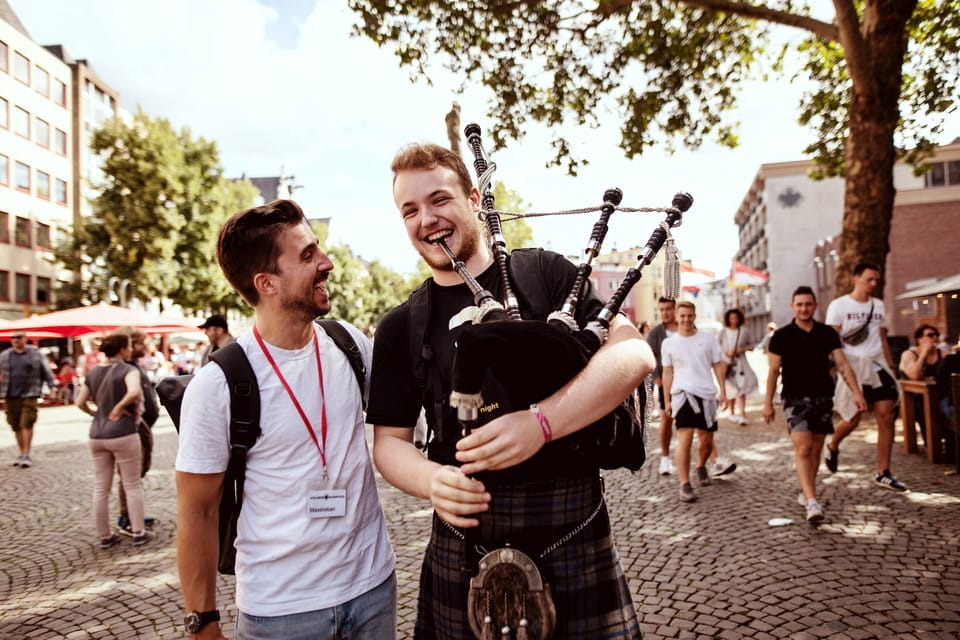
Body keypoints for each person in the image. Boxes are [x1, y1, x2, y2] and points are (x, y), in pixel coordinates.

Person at [367, 143, 651, 638]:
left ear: (474, 198)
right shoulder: (401, 325)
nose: (427, 219)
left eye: (439, 200)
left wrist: (542, 424)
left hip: (571, 527)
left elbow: (634, 355)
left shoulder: (544, 273)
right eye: (410, 210)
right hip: (463, 538)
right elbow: (389, 443)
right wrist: (432, 481)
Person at [175, 199, 395, 640]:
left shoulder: (348, 343)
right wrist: (203, 624)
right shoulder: (218, 385)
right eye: (308, 255)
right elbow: (197, 513)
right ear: (267, 283)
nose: (327, 263)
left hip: (373, 589)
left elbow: (402, 424)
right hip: (281, 613)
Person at [763, 287, 866, 523]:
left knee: (817, 448)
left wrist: (857, 393)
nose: (804, 308)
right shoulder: (781, 336)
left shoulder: (827, 333)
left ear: (815, 305)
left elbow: (842, 364)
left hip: (822, 396)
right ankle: (812, 502)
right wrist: (768, 403)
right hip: (794, 398)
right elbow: (772, 371)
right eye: (799, 304)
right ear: (792, 307)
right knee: (803, 448)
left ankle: (805, 489)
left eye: (808, 304)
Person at [824, 262, 906, 491]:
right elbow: (832, 341)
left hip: (877, 365)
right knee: (853, 418)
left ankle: (884, 472)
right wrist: (839, 369)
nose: (873, 283)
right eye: (869, 279)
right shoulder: (839, 306)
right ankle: (833, 444)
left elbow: (881, 337)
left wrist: (891, 367)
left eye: (876, 280)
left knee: (886, 416)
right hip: (852, 367)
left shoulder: (878, 305)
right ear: (856, 278)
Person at [75, 334, 151, 549]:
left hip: (97, 435)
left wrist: (95, 413)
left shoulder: (93, 372)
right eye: (127, 346)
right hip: (123, 433)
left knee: (101, 488)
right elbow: (135, 391)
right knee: (132, 484)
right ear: (121, 350)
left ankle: (104, 536)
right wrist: (119, 407)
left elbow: (79, 401)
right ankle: (138, 532)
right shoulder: (129, 370)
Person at [661, 301, 728, 502]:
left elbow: (717, 365)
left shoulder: (708, 339)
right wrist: (667, 400)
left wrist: (723, 391)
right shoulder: (669, 343)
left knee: (707, 441)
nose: (686, 319)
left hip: (707, 394)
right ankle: (685, 484)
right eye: (682, 316)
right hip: (682, 394)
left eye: (689, 315)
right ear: (676, 317)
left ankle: (700, 466)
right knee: (686, 438)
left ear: (694, 316)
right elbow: (667, 372)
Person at [111, 328, 160, 537]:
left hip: (142, 427)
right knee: (129, 475)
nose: (142, 347)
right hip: (132, 428)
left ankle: (133, 512)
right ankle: (127, 516)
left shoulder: (133, 366)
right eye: (138, 343)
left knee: (138, 471)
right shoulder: (122, 369)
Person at [1, 332, 57, 467]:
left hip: (30, 393)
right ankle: (21, 453)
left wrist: (52, 387)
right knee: (15, 425)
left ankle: (26, 454)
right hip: (10, 394)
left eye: (18, 337)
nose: (15, 340)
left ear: (25, 339)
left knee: (27, 422)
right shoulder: (5, 355)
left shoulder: (35, 353)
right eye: (13, 338)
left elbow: (46, 371)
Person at [718, 307, 759, 425]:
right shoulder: (723, 332)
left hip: (740, 364)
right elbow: (717, 347)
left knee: (742, 388)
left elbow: (752, 345)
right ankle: (732, 413)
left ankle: (742, 414)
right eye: (731, 318)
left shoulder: (744, 331)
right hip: (726, 364)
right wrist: (725, 352)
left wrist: (742, 349)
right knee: (731, 388)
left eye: (735, 318)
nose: (733, 320)